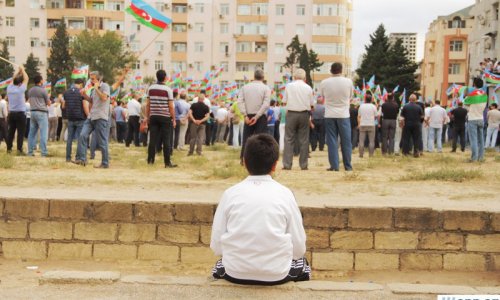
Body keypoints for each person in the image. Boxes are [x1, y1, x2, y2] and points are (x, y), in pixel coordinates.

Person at [211, 134, 310, 285]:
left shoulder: (230, 194)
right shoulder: (285, 194)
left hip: (236, 272)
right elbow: (298, 248)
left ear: (244, 162)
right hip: (276, 274)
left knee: (219, 265)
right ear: (275, 165)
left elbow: (216, 245)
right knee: (303, 264)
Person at [319, 62, 353, 171]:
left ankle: (334, 166)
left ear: (331, 70)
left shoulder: (324, 82)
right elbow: (350, 96)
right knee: (346, 141)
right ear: (341, 70)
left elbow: (322, 96)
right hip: (344, 114)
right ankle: (348, 166)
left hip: (329, 114)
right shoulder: (348, 82)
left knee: (332, 141)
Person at [74, 71, 111, 168]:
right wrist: (84, 95)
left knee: (102, 141)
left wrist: (97, 89)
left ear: (99, 79)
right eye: (90, 79)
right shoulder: (93, 89)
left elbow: (104, 98)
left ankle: (105, 163)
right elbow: (92, 101)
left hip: (101, 117)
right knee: (82, 135)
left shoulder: (105, 86)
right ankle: (81, 159)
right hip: (91, 116)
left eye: (93, 79)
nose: (91, 80)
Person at [237, 69, 271, 164]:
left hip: (248, 116)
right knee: (261, 139)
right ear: (263, 77)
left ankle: (244, 159)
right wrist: (257, 116)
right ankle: (260, 160)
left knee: (247, 138)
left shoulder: (245, 87)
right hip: (260, 116)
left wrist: (245, 115)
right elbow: (266, 104)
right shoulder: (266, 88)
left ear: (253, 76)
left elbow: (239, 102)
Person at [282, 69, 314, 170]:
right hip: (304, 114)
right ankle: (303, 165)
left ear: (294, 77)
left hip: (291, 113)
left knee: (288, 139)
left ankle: (287, 164)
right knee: (304, 140)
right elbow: (312, 104)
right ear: (304, 78)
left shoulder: (289, 86)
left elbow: (284, 101)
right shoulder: (308, 87)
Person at [145, 69, 177, 168]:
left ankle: (150, 160)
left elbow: (148, 104)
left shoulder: (150, 88)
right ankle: (167, 163)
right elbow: (171, 106)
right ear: (165, 78)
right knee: (166, 140)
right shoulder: (168, 89)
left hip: (153, 116)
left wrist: (147, 117)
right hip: (165, 117)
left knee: (152, 139)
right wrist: (174, 118)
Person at [6, 66, 29, 154]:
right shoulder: (21, 89)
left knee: (10, 132)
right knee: (20, 133)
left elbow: (13, 79)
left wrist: (18, 71)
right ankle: (19, 150)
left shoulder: (9, 89)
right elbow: (26, 78)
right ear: (20, 83)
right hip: (20, 114)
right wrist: (23, 69)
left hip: (11, 114)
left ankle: (9, 149)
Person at [464, 78, 488, 162]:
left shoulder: (472, 94)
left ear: (474, 84)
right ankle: (481, 157)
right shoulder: (485, 94)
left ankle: (474, 158)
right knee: (481, 139)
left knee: (473, 139)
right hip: (481, 118)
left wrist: (466, 96)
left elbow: (465, 103)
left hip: (472, 119)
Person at [64, 79, 88, 162]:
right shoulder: (81, 93)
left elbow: (64, 105)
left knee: (69, 139)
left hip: (70, 118)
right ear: (81, 84)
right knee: (79, 139)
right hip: (80, 118)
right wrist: (88, 115)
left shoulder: (66, 92)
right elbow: (84, 105)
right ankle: (78, 157)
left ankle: (68, 157)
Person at [27, 74, 50, 157]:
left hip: (32, 112)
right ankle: (44, 152)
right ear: (40, 81)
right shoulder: (43, 90)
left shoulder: (30, 90)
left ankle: (30, 152)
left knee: (31, 133)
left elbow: (29, 101)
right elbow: (48, 103)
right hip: (42, 112)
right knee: (44, 133)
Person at [188, 91, 210, 156]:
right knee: (200, 138)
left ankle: (190, 152)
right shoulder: (206, 107)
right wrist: (201, 121)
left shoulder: (193, 105)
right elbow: (207, 116)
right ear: (203, 99)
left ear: (198, 99)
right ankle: (199, 152)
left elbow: (190, 113)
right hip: (202, 124)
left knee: (193, 138)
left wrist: (194, 120)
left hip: (193, 123)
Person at [357, 93, 378, 158]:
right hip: (371, 124)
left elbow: (359, 116)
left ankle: (361, 154)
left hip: (363, 124)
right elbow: (376, 116)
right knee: (371, 141)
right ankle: (371, 155)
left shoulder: (361, 106)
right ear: (371, 99)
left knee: (361, 140)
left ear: (365, 99)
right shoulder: (373, 106)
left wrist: (359, 124)